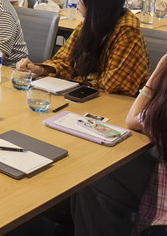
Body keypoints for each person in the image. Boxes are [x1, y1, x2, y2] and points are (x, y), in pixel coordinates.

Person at [71, 54, 167, 236]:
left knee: (95, 178)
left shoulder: (127, 35)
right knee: (96, 173)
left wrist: (157, 73)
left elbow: (132, 117)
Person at [16, 0, 149, 96]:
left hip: (118, 101)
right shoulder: (89, 24)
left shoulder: (127, 30)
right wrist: (40, 69)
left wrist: (74, 80)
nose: (78, 3)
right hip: (88, 92)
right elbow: (64, 61)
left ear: (97, 5)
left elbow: (113, 84)